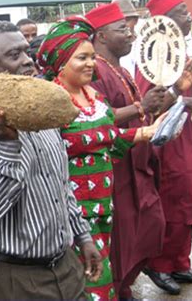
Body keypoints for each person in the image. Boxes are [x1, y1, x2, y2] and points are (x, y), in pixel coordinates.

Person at [0, 20, 102, 300]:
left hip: (65, 268)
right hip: (9, 278)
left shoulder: (43, 112)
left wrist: (83, 237)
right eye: (14, 56)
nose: (29, 61)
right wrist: (8, 146)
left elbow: (61, 186)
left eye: (26, 52)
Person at [37, 15, 166, 300]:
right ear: (60, 62)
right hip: (72, 215)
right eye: (81, 58)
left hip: (103, 207)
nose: (91, 64)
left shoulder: (94, 97)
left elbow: (109, 141)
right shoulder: (51, 103)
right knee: (87, 281)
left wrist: (148, 132)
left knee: (99, 274)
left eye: (92, 57)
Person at [85, 3, 167, 300]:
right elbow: (97, 117)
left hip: (137, 165)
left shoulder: (120, 69)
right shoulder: (93, 69)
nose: (131, 34)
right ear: (102, 36)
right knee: (122, 239)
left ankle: (125, 287)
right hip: (117, 170)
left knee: (149, 229)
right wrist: (141, 107)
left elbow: (140, 111)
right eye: (122, 29)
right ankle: (118, 290)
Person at [136, 0, 192, 295]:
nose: (188, 17)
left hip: (190, 136)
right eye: (181, 12)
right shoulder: (153, 54)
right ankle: (159, 264)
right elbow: (149, 105)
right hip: (169, 141)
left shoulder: (181, 49)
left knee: (190, 198)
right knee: (172, 200)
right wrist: (183, 97)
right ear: (165, 19)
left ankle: (181, 262)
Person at [112, 0, 140, 76]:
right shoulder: (111, 47)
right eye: (118, 21)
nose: (123, 25)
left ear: (136, 20)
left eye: (127, 20)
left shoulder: (145, 43)